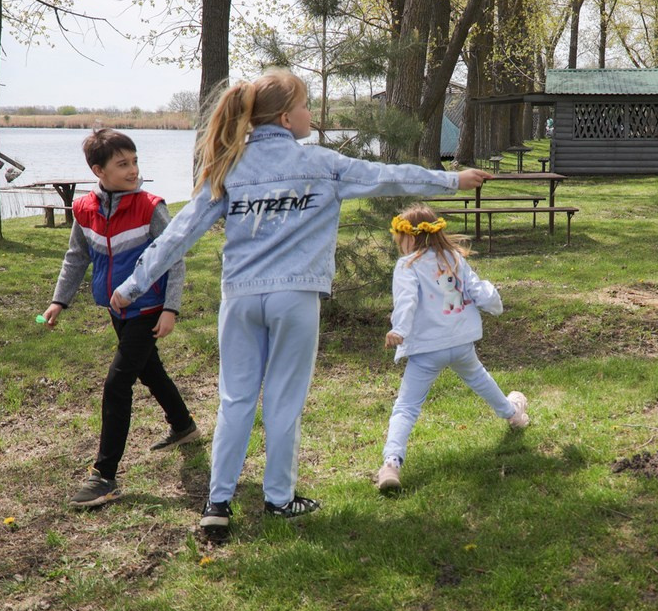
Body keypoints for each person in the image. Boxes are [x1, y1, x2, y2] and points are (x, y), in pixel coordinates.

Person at [110, 70, 491, 529]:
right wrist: (453, 181)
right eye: (308, 106)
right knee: (283, 402)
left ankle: (217, 505)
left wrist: (133, 285)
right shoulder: (325, 165)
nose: (313, 114)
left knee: (235, 399)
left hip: (241, 298)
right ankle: (278, 499)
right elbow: (390, 177)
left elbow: (179, 233)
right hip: (295, 298)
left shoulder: (230, 165)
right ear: (288, 118)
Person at [41, 129, 202, 509]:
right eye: (122, 164)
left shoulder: (150, 206)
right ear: (99, 170)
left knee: (117, 384)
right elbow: (77, 257)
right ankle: (183, 427)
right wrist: (59, 300)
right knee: (150, 371)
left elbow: (174, 257)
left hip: (147, 309)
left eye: (134, 162)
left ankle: (104, 476)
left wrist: (170, 308)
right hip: (116, 309)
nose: (133, 170)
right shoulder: (84, 209)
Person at [376, 203, 528, 491]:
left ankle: (391, 465)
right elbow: (477, 289)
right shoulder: (453, 257)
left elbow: (406, 301)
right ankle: (513, 414)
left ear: (411, 237)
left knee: (406, 407)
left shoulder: (407, 266)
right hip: (460, 343)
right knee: (479, 378)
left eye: (399, 238)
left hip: (427, 350)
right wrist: (494, 302)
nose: (398, 243)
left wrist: (398, 330)